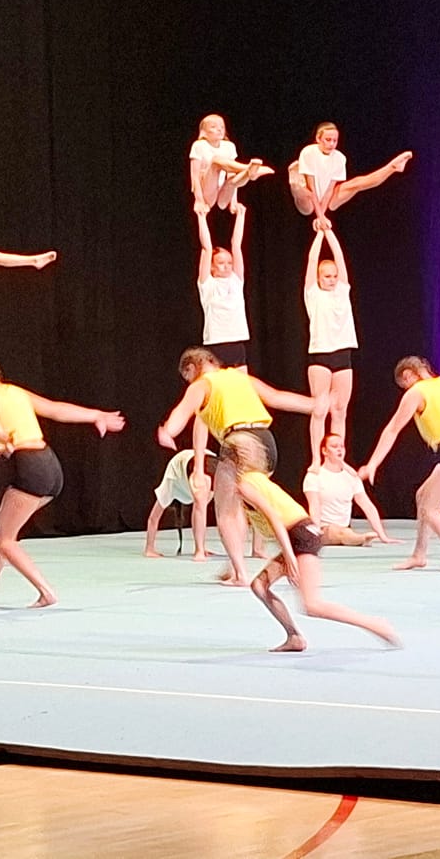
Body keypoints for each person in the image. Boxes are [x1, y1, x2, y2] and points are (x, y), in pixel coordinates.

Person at [0, 357, 125, 607]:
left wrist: (4, 438)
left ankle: (45, 591)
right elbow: (56, 409)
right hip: (49, 465)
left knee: (5, 540)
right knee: (0, 523)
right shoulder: (16, 392)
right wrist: (96, 415)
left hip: (31, 468)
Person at [157, 348, 320, 585]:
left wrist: (167, 431)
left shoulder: (202, 385)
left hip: (240, 443)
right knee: (243, 503)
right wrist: (314, 405)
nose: (189, 382)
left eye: (187, 376)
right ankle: (237, 565)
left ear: (192, 367)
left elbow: (180, 414)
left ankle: (240, 573)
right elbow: (276, 397)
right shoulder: (240, 378)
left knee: (225, 511)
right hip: (266, 443)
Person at [225, 431, 400, 653]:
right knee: (259, 585)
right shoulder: (255, 479)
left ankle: (374, 624)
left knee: (312, 605)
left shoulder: (245, 485)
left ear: (232, 461)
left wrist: (289, 557)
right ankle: (294, 637)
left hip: (301, 535)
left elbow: (275, 518)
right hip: (299, 534)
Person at [357, 357, 440, 572]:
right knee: (422, 496)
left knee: (431, 510)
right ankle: (419, 555)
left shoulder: (416, 392)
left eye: (404, 385)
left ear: (408, 375)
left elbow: (392, 429)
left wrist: (372, 463)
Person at [285, 122, 414, 227]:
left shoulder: (340, 158)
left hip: (328, 200)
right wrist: (320, 217)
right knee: (301, 193)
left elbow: (330, 190)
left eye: (335, 141)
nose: (331, 144)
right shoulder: (308, 152)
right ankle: (294, 181)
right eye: (328, 140)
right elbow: (312, 187)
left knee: (356, 183)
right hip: (309, 200)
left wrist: (321, 217)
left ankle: (392, 167)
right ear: (318, 139)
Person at [303, 223, 357, 451]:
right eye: (327, 276)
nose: (332, 279)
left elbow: (340, 258)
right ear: (318, 278)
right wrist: (319, 235)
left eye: (334, 276)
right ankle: (317, 457)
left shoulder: (342, 291)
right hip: (320, 354)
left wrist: (330, 232)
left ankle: (337, 456)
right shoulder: (313, 294)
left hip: (342, 353)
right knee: (319, 409)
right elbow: (312, 261)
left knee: (340, 410)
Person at [303, 433, 395, 547]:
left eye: (342, 446)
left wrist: (382, 535)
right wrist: (316, 532)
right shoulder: (314, 476)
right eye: (334, 446)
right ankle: (360, 539)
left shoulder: (351, 477)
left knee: (344, 532)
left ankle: (354, 538)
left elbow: (368, 506)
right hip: (324, 528)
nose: (339, 449)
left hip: (344, 528)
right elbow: (314, 506)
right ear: (324, 451)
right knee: (340, 533)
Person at [197, 203, 251, 367]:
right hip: (216, 344)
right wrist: (201, 217)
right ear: (212, 266)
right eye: (221, 263)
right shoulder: (207, 284)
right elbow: (206, 248)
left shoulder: (236, 280)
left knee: (241, 383)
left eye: (229, 263)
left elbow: (237, 245)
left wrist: (240, 216)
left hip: (236, 343)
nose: (227, 266)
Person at [188, 113, 273, 214]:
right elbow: (195, 177)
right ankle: (247, 169)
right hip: (206, 194)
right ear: (204, 132)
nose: (219, 129)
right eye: (213, 127)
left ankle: (248, 173)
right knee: (215, 161)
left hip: (223, 197)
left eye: (222, 127)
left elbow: (231, 174)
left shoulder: (229, 146)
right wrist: (199, 201)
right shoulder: (199, 145)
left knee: (232, 180)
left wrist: (234, 202)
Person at [143, 448, 216, 558]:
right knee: (203, 508)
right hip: (203, 459)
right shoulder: (172, 483)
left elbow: (153, 518)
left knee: (202, 508)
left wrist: (149, 548)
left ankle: (200, 549)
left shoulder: (171, 484)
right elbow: (153, 519)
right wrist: (149, 549)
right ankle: (200, 549)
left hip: (200, 460)